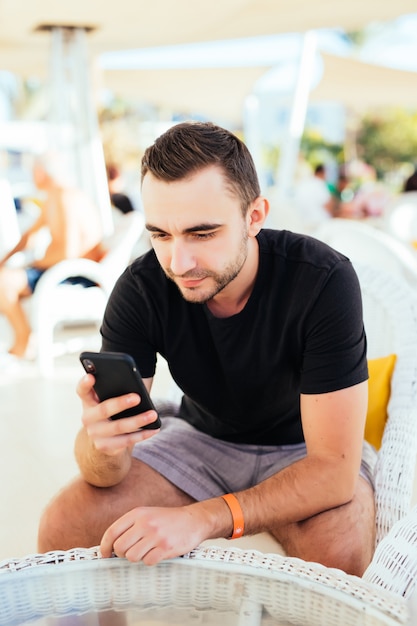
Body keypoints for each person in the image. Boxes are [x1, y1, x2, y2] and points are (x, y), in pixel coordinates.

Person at [38, 122, 376, 576]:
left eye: (202, 233)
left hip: (304, 450)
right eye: (160, 234)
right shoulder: (141, 288)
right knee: (65, 524)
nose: (179, 263)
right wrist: (103, 445)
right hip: (200, 439)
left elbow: (333, 471)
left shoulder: (321, 280)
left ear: (254, 217)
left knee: (339, 554)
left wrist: (203, 518)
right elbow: (104, 474)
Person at [0, 154, 103, 360]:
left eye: (32, 173)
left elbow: (69, 252)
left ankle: (24, 339)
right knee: (5, 277)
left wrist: (34, 263)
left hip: (75, 272)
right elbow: (28, 237)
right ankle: (25, 339)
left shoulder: (67, 198)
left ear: (40, 172)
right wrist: (3, 261)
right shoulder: (54, 198)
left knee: (3, 283)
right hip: (56, 269)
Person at [294, 163, 334, 230]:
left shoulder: (303, 183)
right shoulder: (320, 184)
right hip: (319, 223)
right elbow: (328, 206)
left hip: (302, 222)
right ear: (322, 173)